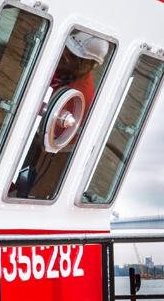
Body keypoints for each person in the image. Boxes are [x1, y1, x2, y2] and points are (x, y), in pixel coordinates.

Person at [12, 30, 109, 199]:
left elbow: (51, 135)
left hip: (48, 147)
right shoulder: (65, 71)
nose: (64, 56)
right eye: (66, 51)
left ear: (86, 63)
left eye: (70, 55)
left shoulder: (78, 94)